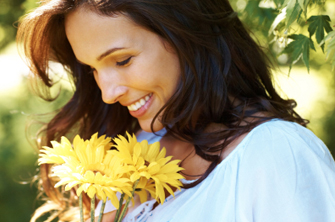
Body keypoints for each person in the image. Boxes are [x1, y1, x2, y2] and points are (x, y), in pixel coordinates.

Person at [17, 0, 335, 221]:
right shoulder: (131, 151)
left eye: (123, 60)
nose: (108, 93)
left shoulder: (277, 154)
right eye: (92, 69)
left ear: (185, 35)